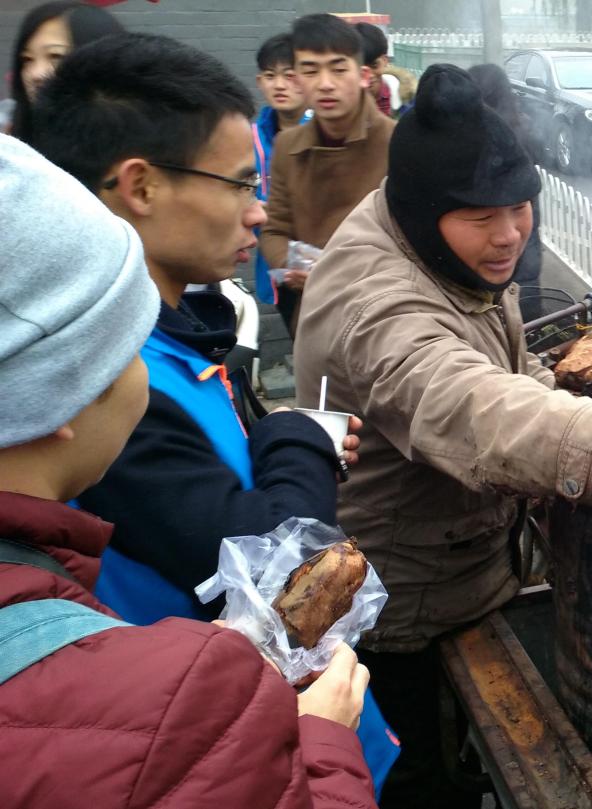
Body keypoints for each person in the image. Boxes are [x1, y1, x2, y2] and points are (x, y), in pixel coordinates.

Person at [292, 65, 592, 808]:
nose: (510, 234)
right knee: (421, 783)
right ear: (425, 209)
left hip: (472, 569)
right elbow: (466, 397)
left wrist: (585, 401)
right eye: (481, 217)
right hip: (401, 608)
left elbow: (512, 368)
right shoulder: (376, 301)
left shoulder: (435, 242)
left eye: (520, 208)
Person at [0, 132, 376, 809]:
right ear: (56, 396)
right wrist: (320, 740)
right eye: (126, 348)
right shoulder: (165, 701)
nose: (145, 368)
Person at [261, 13, 396, 335]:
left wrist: (339, 275)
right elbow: (274, 229)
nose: (325, 84)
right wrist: (291, 266)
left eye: (338, 69)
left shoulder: (396, 142)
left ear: (363, 75)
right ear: (298, 79)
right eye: (310, 71)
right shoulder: (287, 146)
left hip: (385, 313)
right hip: (315, 312)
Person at [470, 61, 546, 321]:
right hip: (525, 214)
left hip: (489, 226)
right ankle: (532, 328)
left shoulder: (469, 135)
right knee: (526, 271)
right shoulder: (520, 125)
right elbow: (539, 153)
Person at [253, 33, 313, 307]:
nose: (279, 85)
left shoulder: (328, 134)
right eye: (270, 76)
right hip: (274, 265)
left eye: (289, 76)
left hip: (326, 265)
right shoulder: (249, 138)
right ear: (259, 82)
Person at [6, 0, 120, 142]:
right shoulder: (10, 142)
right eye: (27, 59)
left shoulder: (133, 145)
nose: (36, 74)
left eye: (56, 56)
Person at [356, 22, 399, 117]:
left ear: (385, 60)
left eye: (374, 65)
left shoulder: (404, 100)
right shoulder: (340, 104)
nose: (369, 75)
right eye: (361, 69)